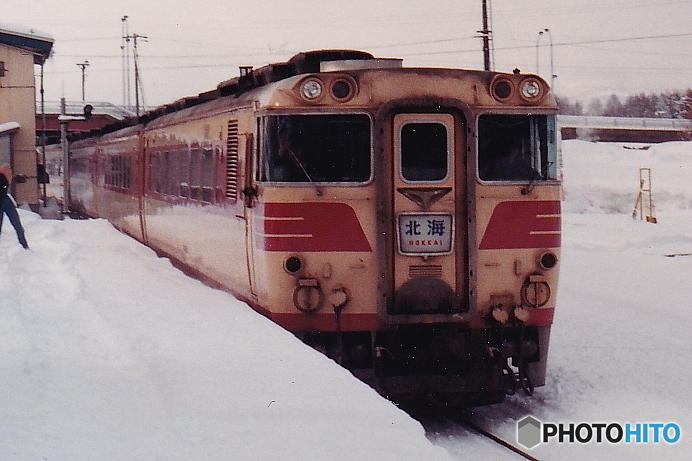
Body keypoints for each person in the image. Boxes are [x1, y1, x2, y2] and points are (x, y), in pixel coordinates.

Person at [0, 164, 29, 249]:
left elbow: (8, 184)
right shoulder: (2, 179)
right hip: (3, 201)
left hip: (5, 200)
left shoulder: (5, 179)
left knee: (16, 223)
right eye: (9, 171)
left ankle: (24, 244)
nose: (10, 172)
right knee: (16, 223)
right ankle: (24, 245)